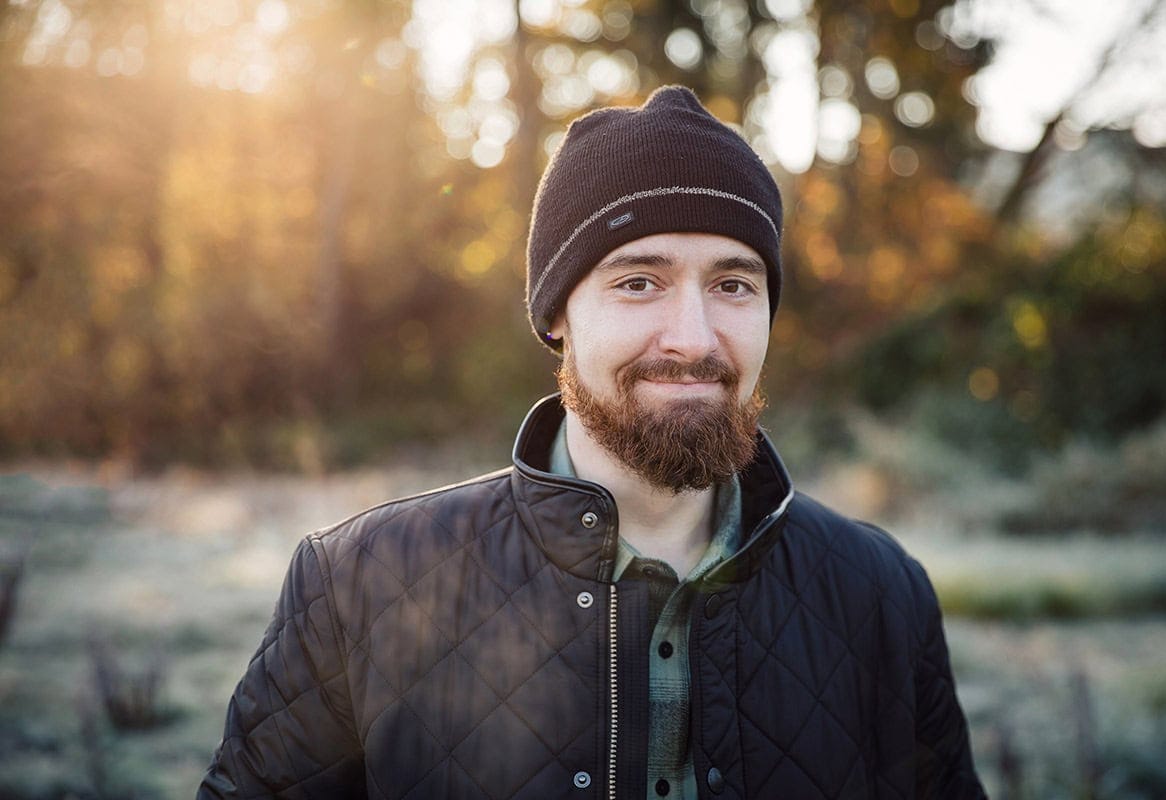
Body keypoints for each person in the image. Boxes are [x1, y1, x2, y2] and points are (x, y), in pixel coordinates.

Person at [198, 86, 985, 799]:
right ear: (557, 318)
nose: (692, 337)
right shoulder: (359, 583)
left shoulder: (882, 593)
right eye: (637, 281)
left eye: (733, 284)